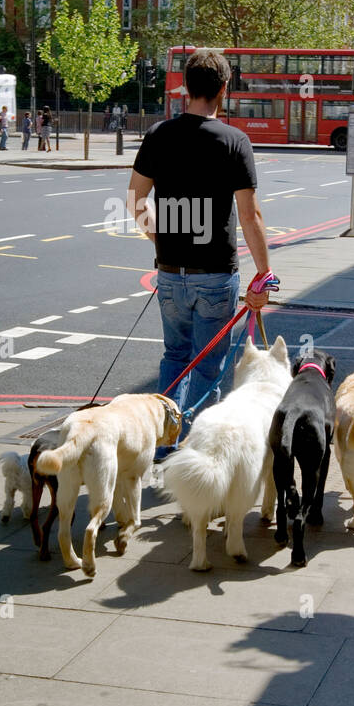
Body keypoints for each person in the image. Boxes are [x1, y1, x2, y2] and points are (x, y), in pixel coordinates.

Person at [128, 48, 274, 431]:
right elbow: (250, 215)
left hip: (171, 271)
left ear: (185, 87)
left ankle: (163, 439)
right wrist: (265, 274)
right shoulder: (234, 141)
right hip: (215, 274)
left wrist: (159, 236)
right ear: (224, 88)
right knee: (207, 364)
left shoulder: (159, 135)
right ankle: (191, 445)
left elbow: (136, 198)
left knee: (175, 357)